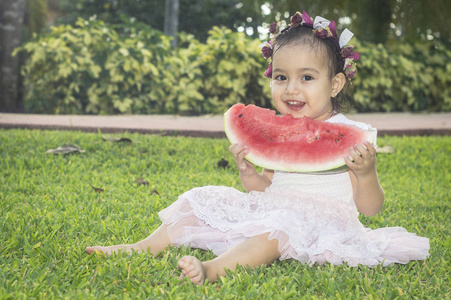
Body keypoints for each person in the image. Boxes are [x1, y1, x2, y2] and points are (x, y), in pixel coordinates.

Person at [86, 11, 430, 285]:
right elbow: (266, 189)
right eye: (281, 77)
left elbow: (370, 209)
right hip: (271, 207)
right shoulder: (276, 134)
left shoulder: (354, 134)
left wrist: (366, 173)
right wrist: (248, 173)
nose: (291, 89)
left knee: (275, 229)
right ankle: (141, 247)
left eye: (307, 78)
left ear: (336, 83)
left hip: (319, 223)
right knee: (198, 198)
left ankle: (214, 269)